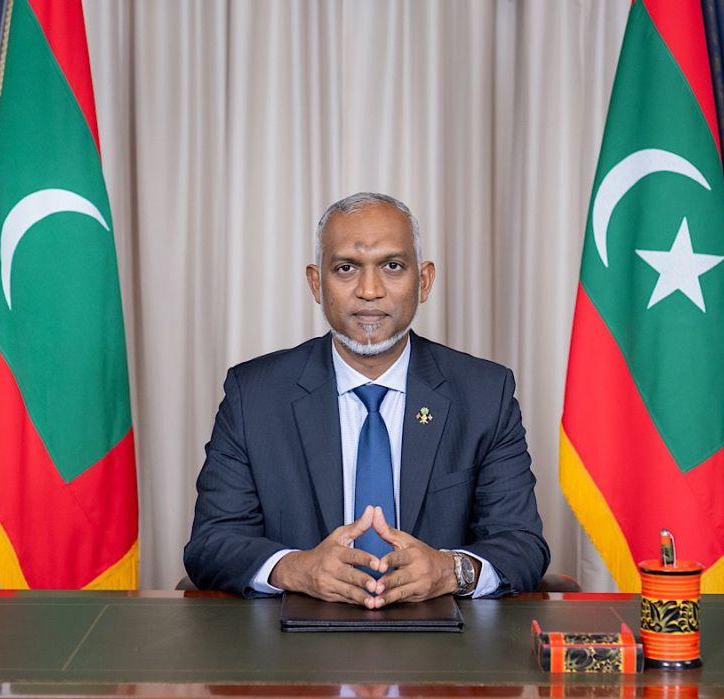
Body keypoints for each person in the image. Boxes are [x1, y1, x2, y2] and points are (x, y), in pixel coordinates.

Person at [184, 192, 549, 608]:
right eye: (346, 268)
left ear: (424, 280)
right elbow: (212, 542)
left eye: (392, 266)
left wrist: (450, 570)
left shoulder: (484, 394)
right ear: (316, 283)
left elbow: (522, 544)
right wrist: (297, 568)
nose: (369, 290)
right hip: (296, 639)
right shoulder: (254, 395)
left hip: (442, 638)